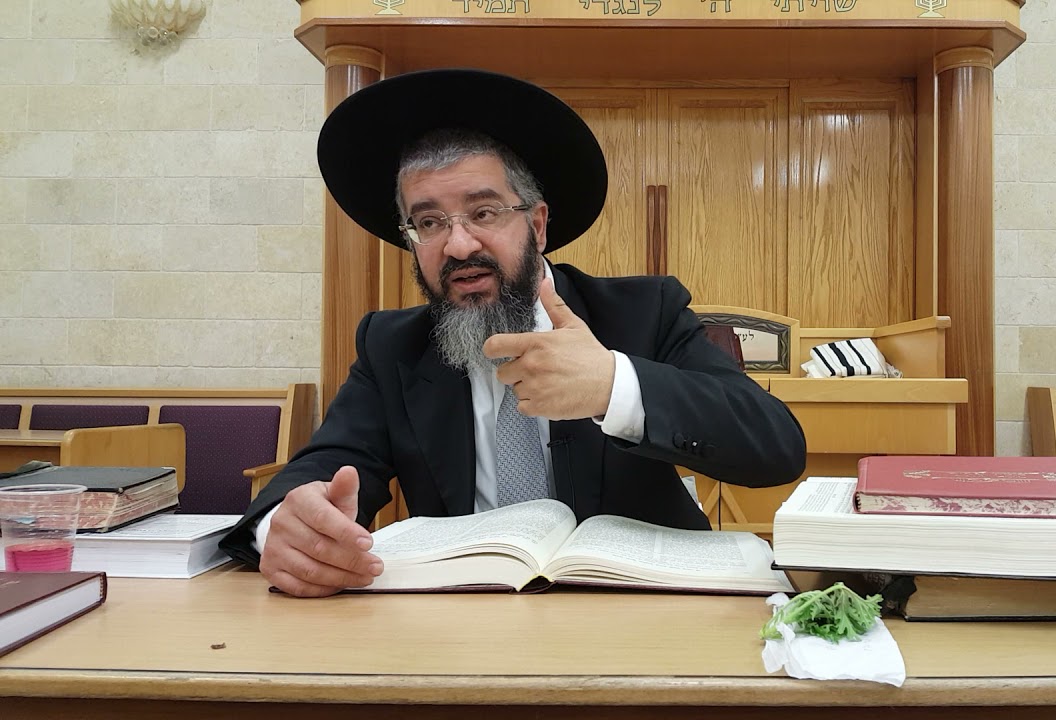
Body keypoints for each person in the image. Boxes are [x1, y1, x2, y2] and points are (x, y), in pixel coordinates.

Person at [219, 69, 807, 597]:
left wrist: (612, 384)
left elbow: (775, 446)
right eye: (429, 222)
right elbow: (329, 464)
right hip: (466, 624)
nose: (458, 245)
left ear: (538, 224)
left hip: (637, 614)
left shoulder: (640, 311)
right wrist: (286, 527)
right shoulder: (391, 344)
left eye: (484, 212)